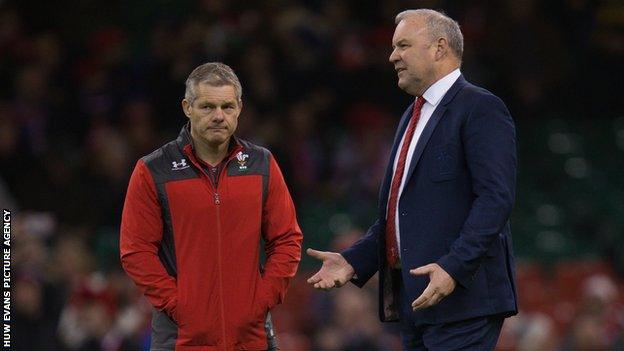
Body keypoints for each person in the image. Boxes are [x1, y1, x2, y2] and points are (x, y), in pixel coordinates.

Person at [307, 9, 518, 350]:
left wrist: (454, 267)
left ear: (439, 48)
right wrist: (354, 260)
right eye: (393, 47)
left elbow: (496, 199)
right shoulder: (411, 115)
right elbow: (400, 213)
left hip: (462, 302)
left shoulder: (480, 108)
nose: (392, 56)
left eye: (403, 45)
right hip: (416, 305)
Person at [120, 62, 303, 351]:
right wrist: (179, 305)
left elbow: (287, 240)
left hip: (251, 337)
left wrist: (262, 299)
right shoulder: (153, 169)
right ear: (187, 107)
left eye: (227, 107)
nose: (219, 116)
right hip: (180, 339)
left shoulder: (262, 164)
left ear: (240, 108)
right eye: (207, 107)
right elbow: (136, 251)